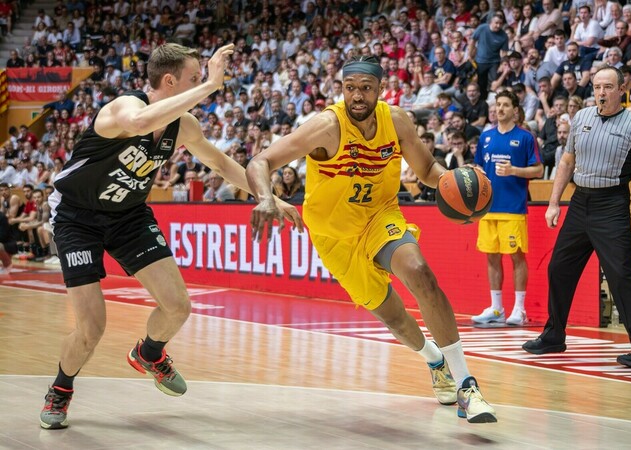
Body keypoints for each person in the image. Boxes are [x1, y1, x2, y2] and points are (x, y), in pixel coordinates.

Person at [39, 43, 302, 430]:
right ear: (169, 80)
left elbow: (219, 162)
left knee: (179, 307)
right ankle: (60, 390)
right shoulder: (121, 109)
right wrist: (211, 85)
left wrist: (268, 197)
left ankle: (149, 353)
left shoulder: (185, 126)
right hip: (78, 218)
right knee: (92, 328)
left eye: (201, 79)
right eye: (194, 78)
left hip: (128, 215)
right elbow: (142, 123)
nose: (201, 85)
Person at [247, 55, 497, 423]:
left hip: (381, 217)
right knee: (395, 318)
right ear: (342, 89)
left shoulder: (396, 120)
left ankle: (466, 386)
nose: (357, 96)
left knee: (420, 272)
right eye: (350, 89)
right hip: (334, 237)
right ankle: (434, 360)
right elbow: (260, 162)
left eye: (366, 88)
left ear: (381, 90)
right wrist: (266, 198)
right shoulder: (325, 126)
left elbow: (427, 169)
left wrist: (453, 183)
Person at [521, 66, 631, 368]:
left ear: (622, 88)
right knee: (559, 267)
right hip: (580, 201)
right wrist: (554, 202)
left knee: (622, 275)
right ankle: (554, 335)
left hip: (611, 204)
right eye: (597, 87)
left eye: (608, 87)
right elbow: (568, 161)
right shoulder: (582, 117)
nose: (601, 92)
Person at [470, 90, 543, 326]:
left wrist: (514, 171)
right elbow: (479, 165)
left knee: (516, 256)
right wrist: (477, 172)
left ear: (515, 110)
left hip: (513, 208)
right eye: (497, 104)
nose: (499, 109)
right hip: (488, 208)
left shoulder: (525, 138)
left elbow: (538, 170)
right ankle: (496, 308)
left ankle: (519, 309)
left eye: (504, 105)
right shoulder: (486, 137)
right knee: (491, 257)